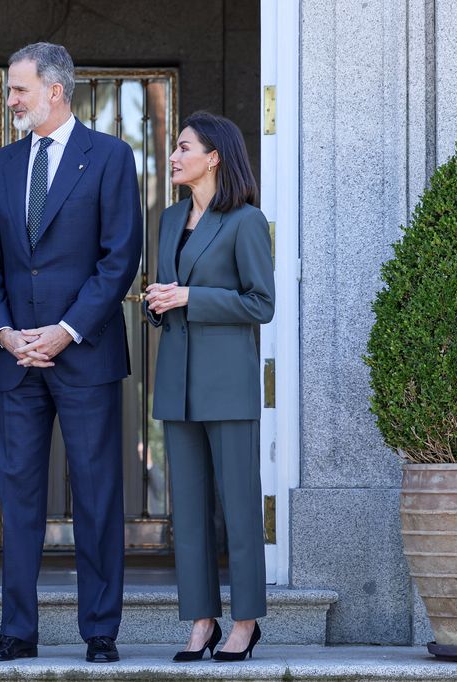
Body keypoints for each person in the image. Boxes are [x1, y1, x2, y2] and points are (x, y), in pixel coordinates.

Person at [0, 42, 143, 664]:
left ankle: (100, 631)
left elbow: (120, 259)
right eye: (11, 90)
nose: (11, 100)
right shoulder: (0, 165)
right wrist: (5, 333)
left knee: (96, 495)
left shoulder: (111, 157)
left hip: (85, 354)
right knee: (16, 498)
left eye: (19, 89)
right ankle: (18, 630)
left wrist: (66, 330)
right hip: (19, 360)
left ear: (55, 92)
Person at [144, 111, 274, 662]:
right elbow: (172, 294)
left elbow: (260, 304)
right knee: (189, 513)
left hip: (228, 383)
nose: (173, 157)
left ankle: (244, 622)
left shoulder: (245, 221)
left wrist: (192, 298)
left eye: (183, 147)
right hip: (178, 380)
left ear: (214, 156)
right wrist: (159, 302)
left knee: (239, 507)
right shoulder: (171, 219)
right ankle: (201, 621)